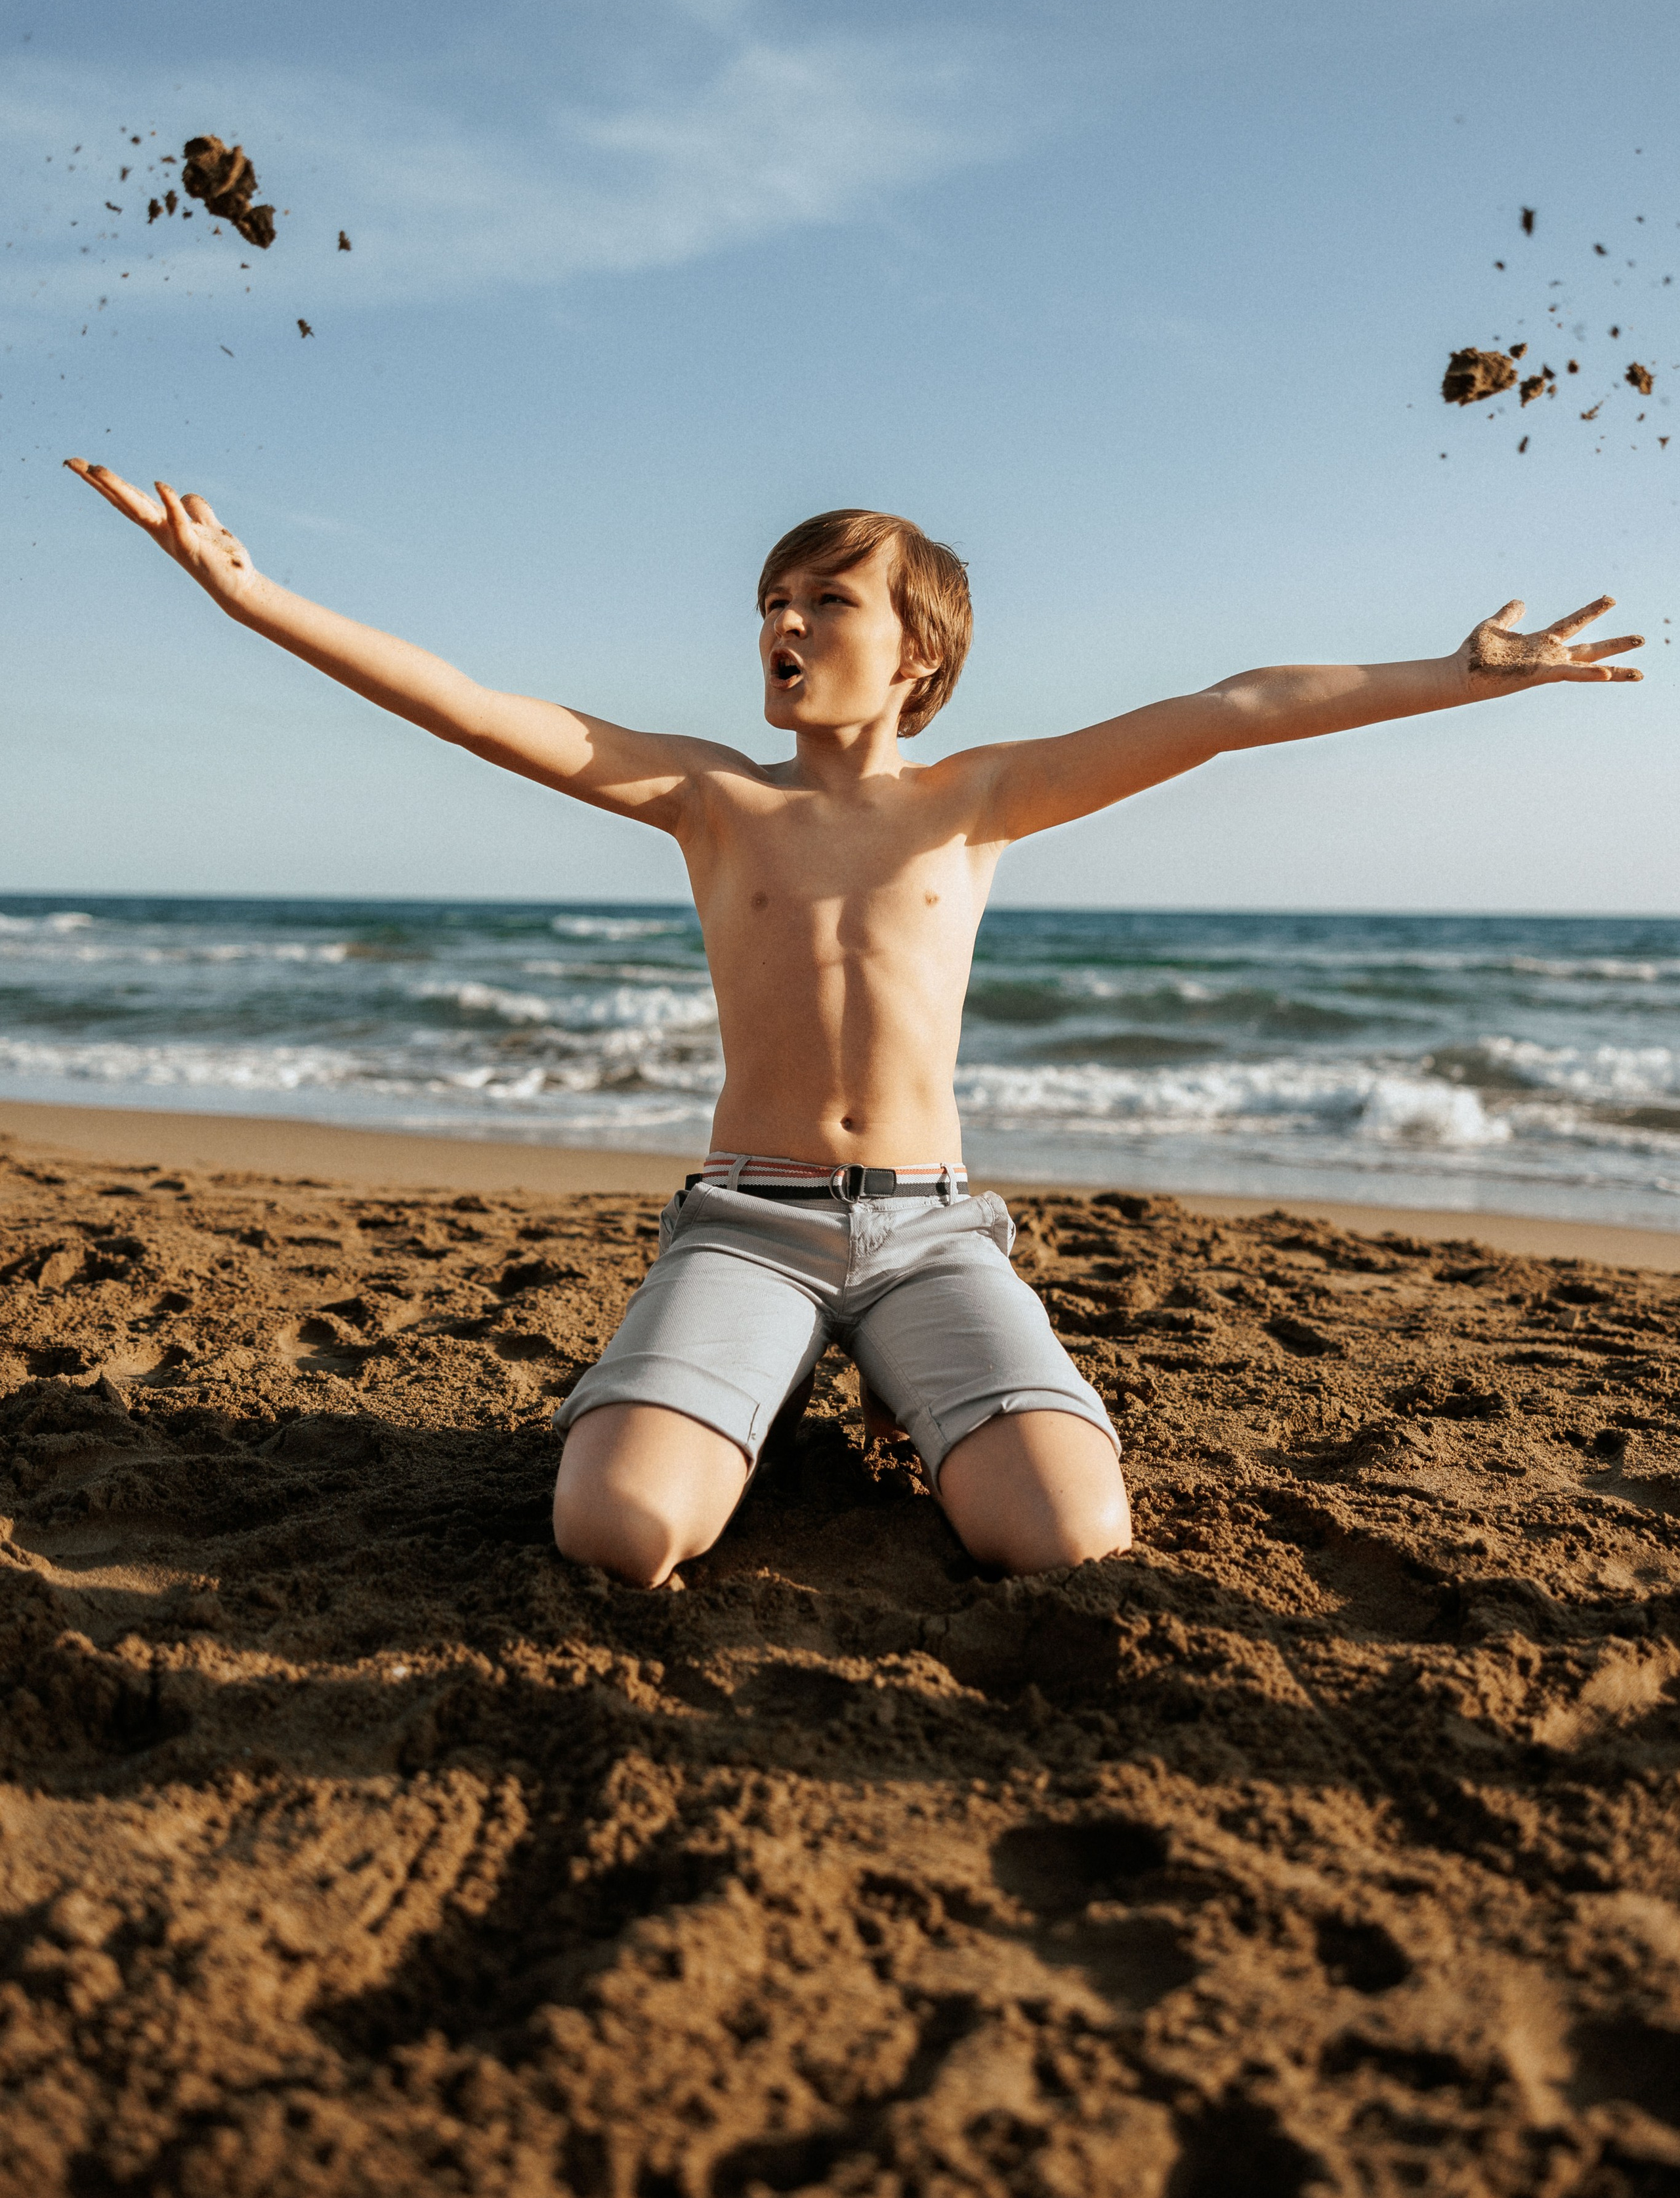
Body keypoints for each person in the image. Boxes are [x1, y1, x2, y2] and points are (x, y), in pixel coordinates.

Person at [64, 464, 1643, 1587]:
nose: (787, 621)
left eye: (827, 597)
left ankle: (897, 1372)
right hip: (745, 1223)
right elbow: (470, 704)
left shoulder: (980, 802)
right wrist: (248, 592)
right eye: (771, 599)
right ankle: (738, 1377)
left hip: (930, 1233)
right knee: (614, 1532)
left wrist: (1451, 672)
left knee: (1067, 1537)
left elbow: (1229, 709)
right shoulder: (707, 795)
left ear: (917, 650)